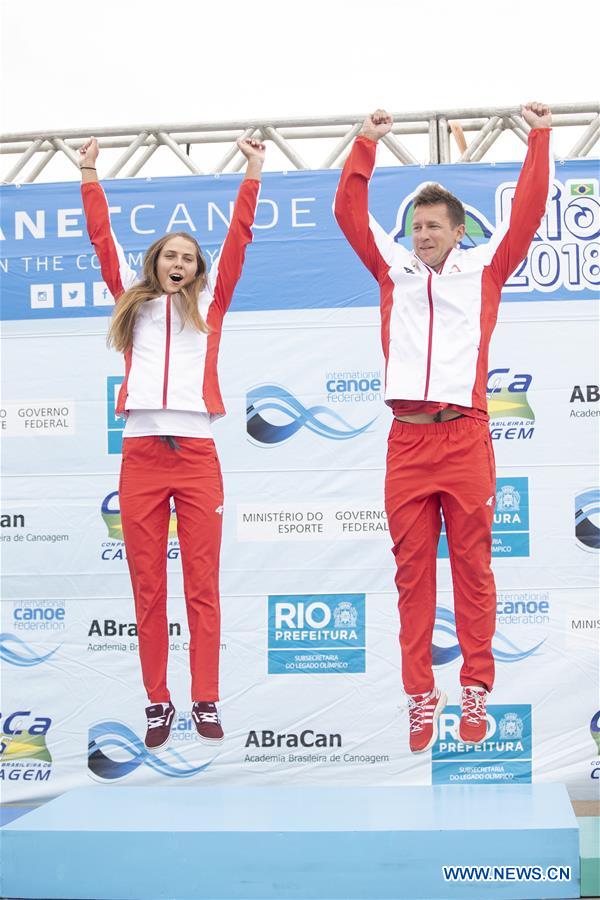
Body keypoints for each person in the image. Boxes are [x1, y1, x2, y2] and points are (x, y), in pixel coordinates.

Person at [334, 103, 553, 753]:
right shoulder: (392, 270)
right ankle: (420, 695)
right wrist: (365, 144)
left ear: (458, 231)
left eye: (433, 226)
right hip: (408, 438)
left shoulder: (485, 269)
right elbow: (349, 213)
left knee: (472, 569)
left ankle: (476, 688)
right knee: (411, 574)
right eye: (416, 226)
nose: (422, 234)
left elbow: (531, 210)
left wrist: (539, 137)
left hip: (463, 436)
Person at [78, 135, 265, 750]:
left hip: (197, 457)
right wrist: (88, 174)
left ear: (197, 268)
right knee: (148, 585)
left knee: (202, 584)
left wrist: (253, 171)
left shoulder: (210, 305)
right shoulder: (132, 307)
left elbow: (239, 240)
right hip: (140, 457)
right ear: (156, 262)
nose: (179, 263)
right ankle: (158, 701)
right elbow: (102, 244)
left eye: (189, 256)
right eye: (170, 255)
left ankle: (204, 697)